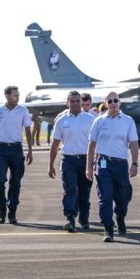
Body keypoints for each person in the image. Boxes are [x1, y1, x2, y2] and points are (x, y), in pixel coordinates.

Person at [86, 92, 139, 243]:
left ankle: (120, 216)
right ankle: (108, 228)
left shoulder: (128, 121)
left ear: (119, 102)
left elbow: (134, 143)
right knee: (105, 197)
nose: (113, 103)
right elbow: (92, 145)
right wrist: (88, 167)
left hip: (121, 164)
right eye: (109, 101)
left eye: (115, 100)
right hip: (103, 164)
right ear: (105, 104)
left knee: (123, 197)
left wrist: (135, 163)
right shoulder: (99, 121)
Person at [0, 86, 34, 224]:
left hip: (17, 149)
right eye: (15, 95)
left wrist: (30, 151)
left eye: (18, 95)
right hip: (2, 150)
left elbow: (28, 132)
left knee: (16, 182)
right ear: (7, 96)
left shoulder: (23, 111)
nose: (17, 98)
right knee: (0, 181)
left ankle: (12, 211)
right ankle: (1, 209)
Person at [48, 91, 96, 232]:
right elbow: (55, 144)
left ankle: (84, 216)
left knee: (84, 191)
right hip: (68, 160)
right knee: (69, 190)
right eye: (72, 101)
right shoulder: (61, 121)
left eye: (77, 101)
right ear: (67, 103)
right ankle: (70, 218)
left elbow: (97, 142)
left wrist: (95, 160)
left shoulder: (91, 120)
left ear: (81, 102)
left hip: (86, 160)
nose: (75, 104)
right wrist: (50, 165)